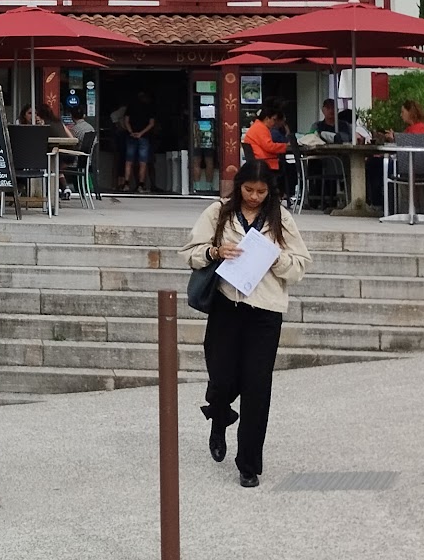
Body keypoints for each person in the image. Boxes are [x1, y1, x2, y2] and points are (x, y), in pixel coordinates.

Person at [181, 160, 312, 488]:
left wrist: (276, 257)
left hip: (265, 312)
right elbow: (190, 253)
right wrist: (215, 251)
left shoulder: (281, 218)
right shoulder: (218, 212)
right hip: (226, 306)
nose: (254, 196)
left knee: (257, 386)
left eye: (261, 191)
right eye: (248, 190)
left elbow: (300, 265)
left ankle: (249, 463)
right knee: (222, 378)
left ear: (271, 191)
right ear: (238, 186)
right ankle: (219, 415)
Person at [120, 91, 158, 193]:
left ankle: (126, 184)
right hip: (144, 137)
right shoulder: (149, 107)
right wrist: (141, 133)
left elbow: (126, 120)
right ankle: (141, 185)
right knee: (143, 162)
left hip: (131, 136)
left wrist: (131, 131)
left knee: (129, 161)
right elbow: (151, 123)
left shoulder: (131, 106)